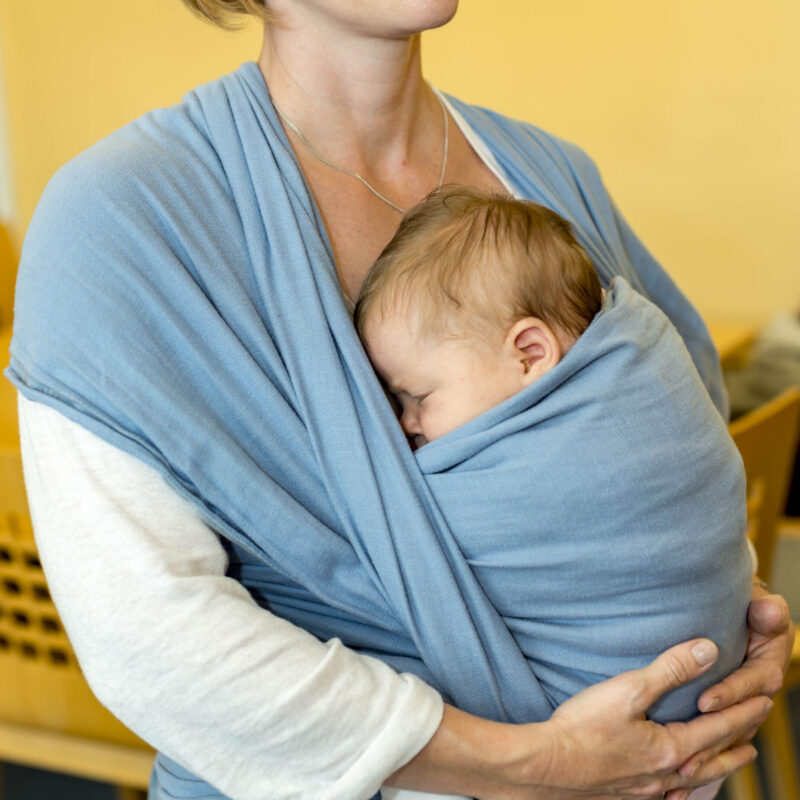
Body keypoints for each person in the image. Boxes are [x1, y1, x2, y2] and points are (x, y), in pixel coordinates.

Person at [7, 2, 793, 800]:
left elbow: (662, 459)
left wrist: (725, 609)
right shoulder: (117, 224)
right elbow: (149, 634)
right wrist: (537, 764)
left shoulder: (553, 176)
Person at [354, 187, 751, 736]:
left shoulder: (612, 417)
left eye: (417, 397)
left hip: (611, 713)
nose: (405, 425)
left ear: (530, 354)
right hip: (709, 688)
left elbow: (398, 528)